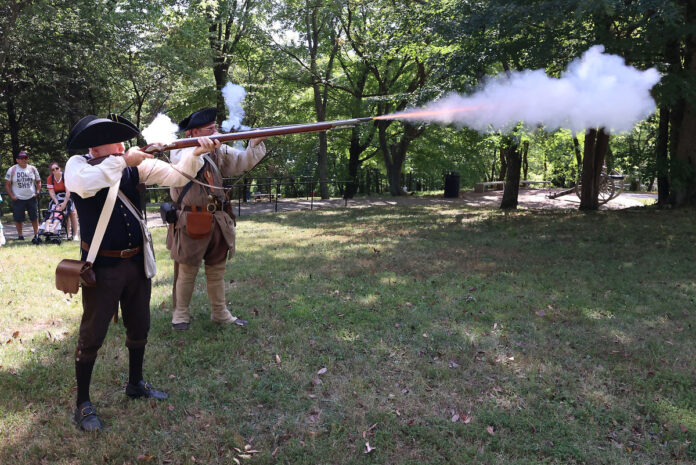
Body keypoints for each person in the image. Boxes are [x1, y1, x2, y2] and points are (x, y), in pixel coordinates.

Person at [64, 113, 211, 432]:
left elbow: (177, 177)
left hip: (135, 262)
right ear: (97, 148)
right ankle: (83, 404)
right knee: (92, 334)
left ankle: (135, 383)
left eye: (122, 141)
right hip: (101, 266)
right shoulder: (78, 165)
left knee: (139, 324)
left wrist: (195, 154)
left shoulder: (133, 165)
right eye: (115, 142)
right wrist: (124, 161)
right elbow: (85, 185)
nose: (121, 145)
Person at [168, 107, 266, 330]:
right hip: (191, 220)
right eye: (209, 129)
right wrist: (197, 151)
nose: (215, 132)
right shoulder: (179, 151)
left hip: (218, 220)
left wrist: (256, 142)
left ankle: (220, 313)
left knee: (217, 270)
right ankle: (180, 314)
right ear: (192, 133)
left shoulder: (217, 150)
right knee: (187, 271)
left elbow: (242, 161)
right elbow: (183, 167)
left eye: (215, 128)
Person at [4, 151, 41, 243]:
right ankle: (20, 236)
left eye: (25, 158)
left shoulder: (32, 169)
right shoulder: (12, 169)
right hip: (18, 198)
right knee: (18, 218)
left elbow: (38, 181)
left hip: (31, 197)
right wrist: (12, 196)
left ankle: (36, 234)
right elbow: (7, 184)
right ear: (17, 160)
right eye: (21, 158)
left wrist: (37, 192)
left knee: (34, 217)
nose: (24, 160)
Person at [47, 162, 79, 240]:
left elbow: (68, 192)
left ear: (60, 168)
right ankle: (65, 233)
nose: (55, 170)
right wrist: (57, 203)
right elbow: (51, 192)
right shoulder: (50, 179)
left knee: (72, 213)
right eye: (53, 170)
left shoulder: (66, 177)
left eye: (56, 168)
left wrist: (64, 204)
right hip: (57, 197)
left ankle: (75, 234)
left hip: (68, 195)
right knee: (57, 212)